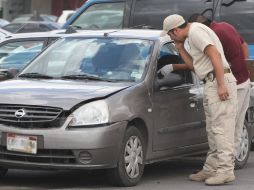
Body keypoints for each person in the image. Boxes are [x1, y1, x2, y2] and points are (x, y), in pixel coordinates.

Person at [160, 14, 238, 185]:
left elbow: (214, 55)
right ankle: (211, 168)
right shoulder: (192, 33)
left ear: (176, 30)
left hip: (217, 80)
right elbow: (193, 66)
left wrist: (221, 84)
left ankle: (225, 170)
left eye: (170, 35)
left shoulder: (195, 32)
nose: (171, 38)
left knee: (221, 129)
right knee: (213, 129)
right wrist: (180, 48)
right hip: (210, 82)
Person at [188, 13, 250, 162]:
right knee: (235, 122)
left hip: (233, 83)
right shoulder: (225, 26)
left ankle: (227, 163)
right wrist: (244, 67)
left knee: (227, 125)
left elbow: (211, 59)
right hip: (243, 79)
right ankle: (229, 160)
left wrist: (173, 66)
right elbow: (244, 45)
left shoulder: (212, 34)